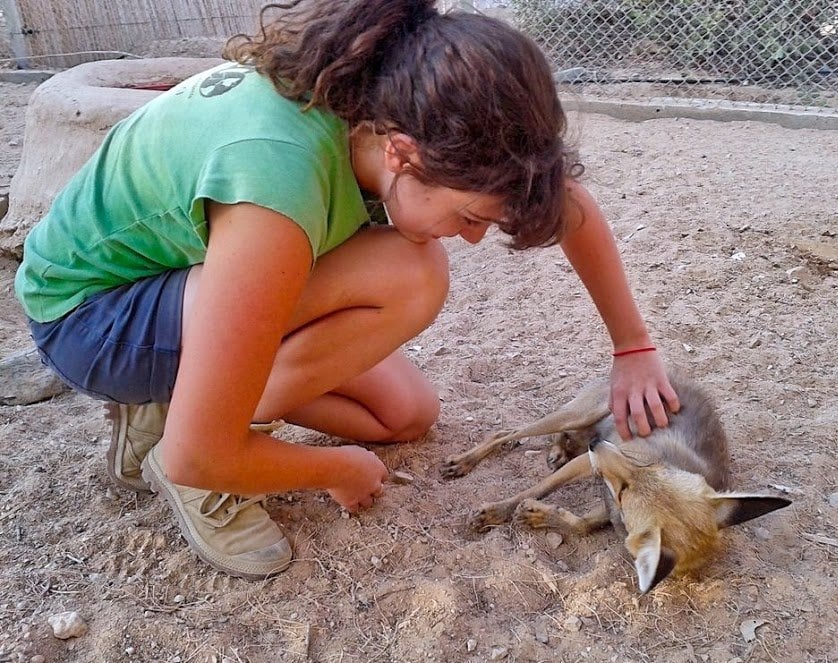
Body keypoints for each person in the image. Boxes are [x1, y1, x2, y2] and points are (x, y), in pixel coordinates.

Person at [14, 0, 680, 579]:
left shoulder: (379, 100)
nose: (474, 238)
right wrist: (332, 470)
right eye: (469, 216)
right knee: (412, 275)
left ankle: (183, 405)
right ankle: (194, 447)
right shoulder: (277, 191)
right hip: (90, 321)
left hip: (175, 285)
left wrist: (633, 347)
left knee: (403, 415)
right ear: (402, 155)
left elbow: (566, 203)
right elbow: (199, 454)